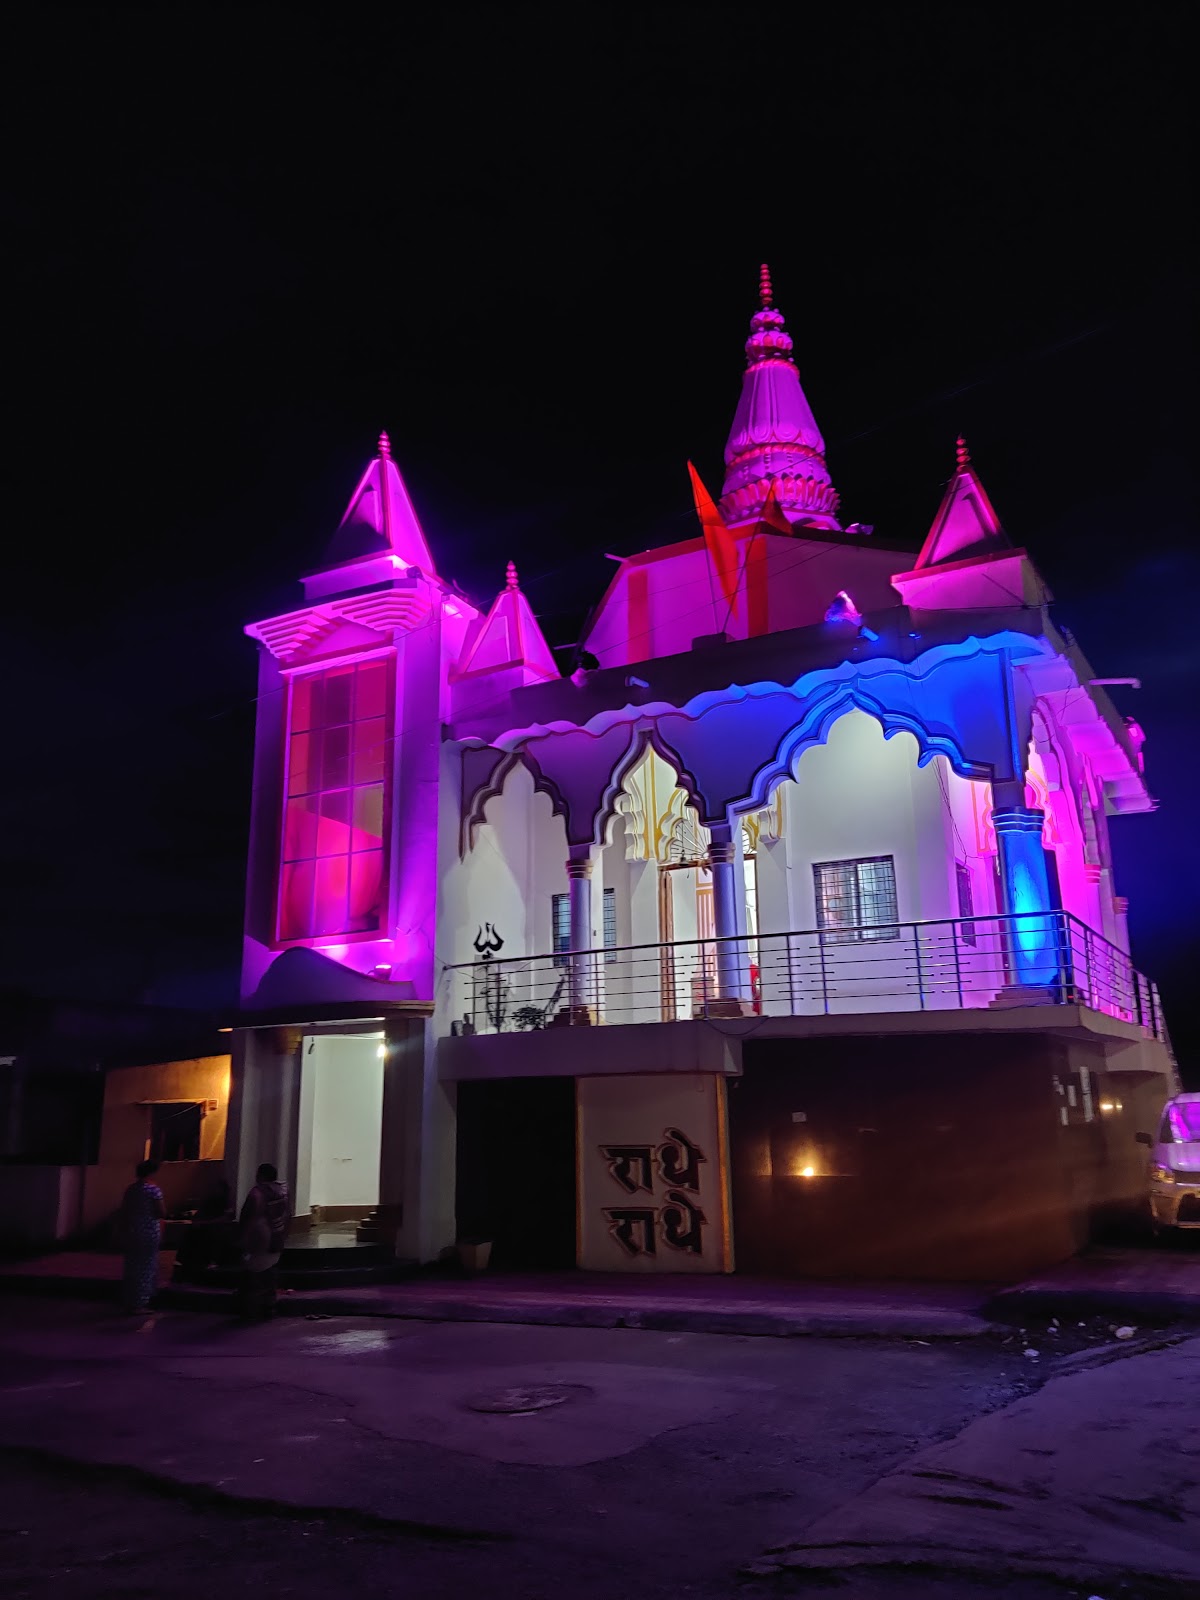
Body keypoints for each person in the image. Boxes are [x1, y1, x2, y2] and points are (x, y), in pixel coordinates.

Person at [236, 1162, 291, 1321]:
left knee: (253, 1275)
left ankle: (252, 1311)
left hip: (259, 1239)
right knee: (270, 1273)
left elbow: (250, 1217)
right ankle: (269, 1307)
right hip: (277, 1235)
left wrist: (242, 1239)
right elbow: (289, 1214)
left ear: (260, 1175)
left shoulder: (257, 1193)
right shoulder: (283, 1191)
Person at [119, 1159, 166, 1314]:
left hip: (132, 1231)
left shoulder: (131, 1190)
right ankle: (140, 1303)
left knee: (132, 1266)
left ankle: (129, 1300)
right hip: (149, 1232)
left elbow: (124, 1211)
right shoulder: (153, 1190)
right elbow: (161, 1212)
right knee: (146, 1266)